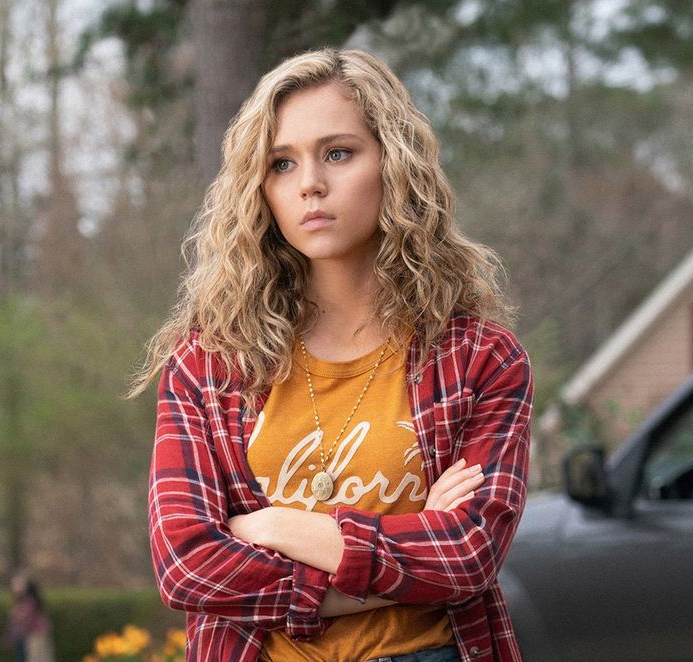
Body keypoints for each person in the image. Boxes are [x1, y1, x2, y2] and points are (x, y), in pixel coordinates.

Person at [130, 48, 533, 662]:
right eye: (282, 163)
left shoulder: (478, 358)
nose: (310, 183)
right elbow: (187, 565)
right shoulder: (211, 364)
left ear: (394, 164)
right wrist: (401, 550)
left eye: (338, 153)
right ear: (259, 188)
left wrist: (275, 527)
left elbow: (466, 554)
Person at [4, 571, 55, 662]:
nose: (15, 587)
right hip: (25, 636)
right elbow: (15, 621)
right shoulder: (18, 601)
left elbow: (26, 619)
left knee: (38, 657)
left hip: (35, 634)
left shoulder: (30, 600)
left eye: (18, 584)